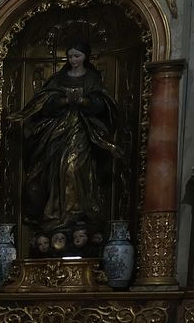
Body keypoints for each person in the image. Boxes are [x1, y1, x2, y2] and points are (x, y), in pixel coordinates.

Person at [12, 40, 121, 248]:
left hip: (84, 130)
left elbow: (103, 104)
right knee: (56, 171)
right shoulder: (59, 78)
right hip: (58, 133)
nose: (73, 60)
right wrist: (63, 101)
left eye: (77, 56)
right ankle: (57, 212)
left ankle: (78, 212)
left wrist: (83, 101)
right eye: (70, 56)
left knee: (74, 168)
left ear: (85, 57)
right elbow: (44, 104)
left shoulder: (92, 79)